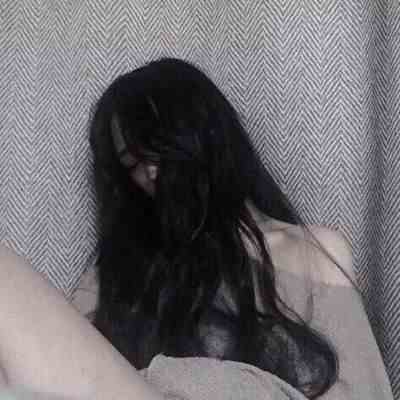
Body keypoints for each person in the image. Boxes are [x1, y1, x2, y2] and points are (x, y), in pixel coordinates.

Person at [0, 58, 374, 400]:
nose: (150, 173)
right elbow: (56, 370)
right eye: (133, 164)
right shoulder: (124, 271)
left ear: (207, 135)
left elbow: (365, 392)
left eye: (159, 150)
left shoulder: (312, 252)